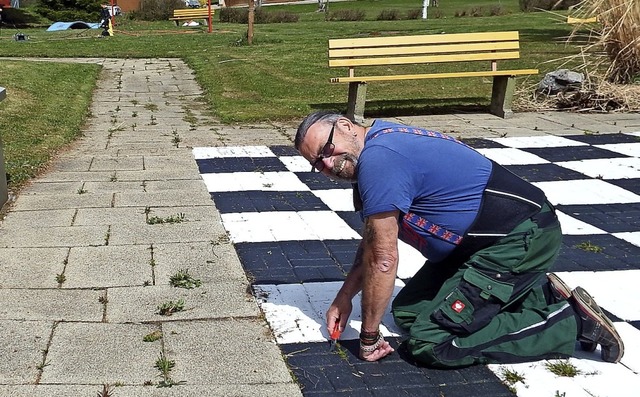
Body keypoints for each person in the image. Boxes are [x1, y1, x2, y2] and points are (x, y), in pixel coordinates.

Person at [294, 111, 624, 368]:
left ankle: (569, 323)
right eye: (316, 164)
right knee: (409, 312)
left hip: (519, 237)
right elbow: (371, 244)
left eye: (326, 150)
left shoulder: (380, 160)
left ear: (346, 125)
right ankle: (535, 291)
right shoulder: (379, 143)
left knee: (431, 343)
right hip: (478, 245)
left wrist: (368, 336)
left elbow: (383, 258)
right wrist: (345, 296)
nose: (326, 165)